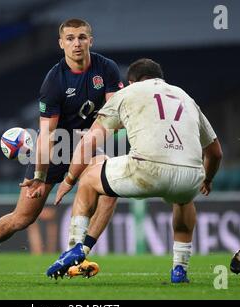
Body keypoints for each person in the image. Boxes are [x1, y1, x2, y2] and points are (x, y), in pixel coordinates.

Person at [0, 18, 123, 284]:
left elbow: (113, 116)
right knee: (21, 219)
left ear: (91, 40)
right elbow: (46, 135)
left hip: (88, 145)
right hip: (54, 150)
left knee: (110, 187)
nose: (76, 43)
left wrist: (92, 140)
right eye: (70, 38)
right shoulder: (54, 81)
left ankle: (76, 254)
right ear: (61, 43)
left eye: (81, 37)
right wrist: (41, 176)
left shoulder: (107, 69)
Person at [47, 58, 223, 283]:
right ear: (160, 78)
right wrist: (207, 179)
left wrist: (69, 179)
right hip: (190, 174)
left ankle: (74, 249)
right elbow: (215, 153)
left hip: (147, 168)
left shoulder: (127, 94)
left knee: (90, 178)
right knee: (184, 201)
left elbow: (90, 142)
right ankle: (180, 270)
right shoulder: (185, 97)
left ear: (131, 82)